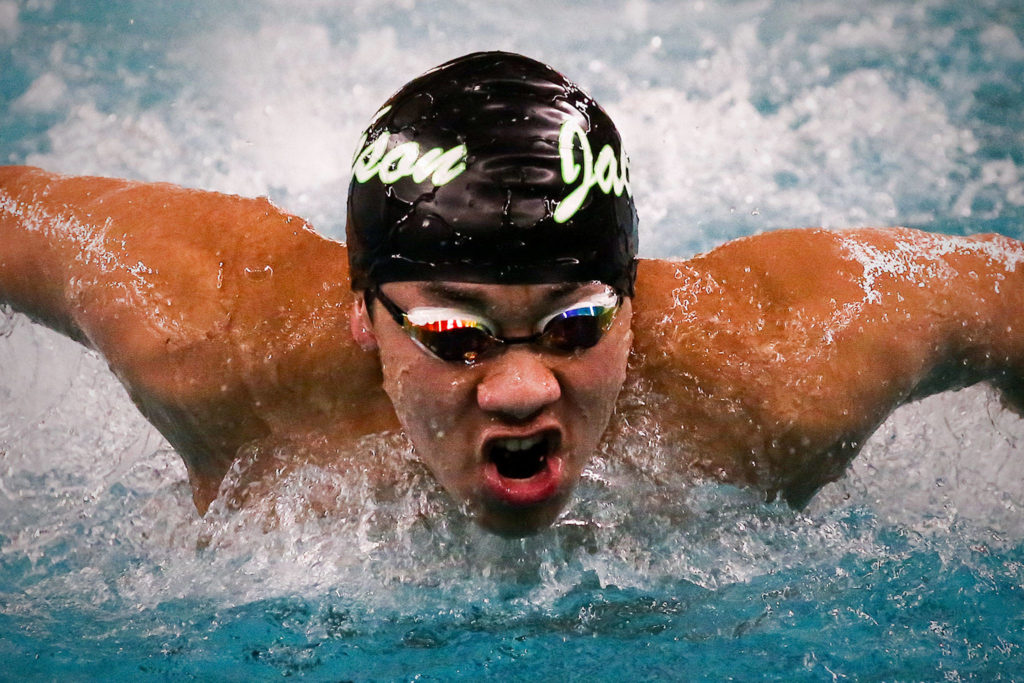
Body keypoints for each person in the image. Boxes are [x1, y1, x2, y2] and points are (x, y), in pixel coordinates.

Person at [1, 52, 1021, 537]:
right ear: (364, 314)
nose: (524, 388)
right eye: (454, 332)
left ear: (632, 304)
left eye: (576, 324)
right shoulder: (203, 327)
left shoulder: (789, 363)